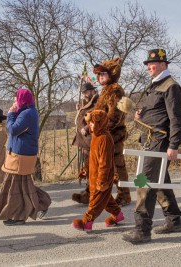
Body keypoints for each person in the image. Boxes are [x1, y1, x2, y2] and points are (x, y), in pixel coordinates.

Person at [122, 48, 181, 244]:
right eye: (148, 65)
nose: (149, 67)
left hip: (160, 142)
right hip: (150, 141)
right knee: (160, 182)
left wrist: (174, 144)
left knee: (144, 182)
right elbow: (157, 112)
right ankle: (173, 220)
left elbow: (176, 119)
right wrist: (141, 113)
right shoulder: (154, 85)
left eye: (153, 64)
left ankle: (142, 230)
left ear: (163, 65)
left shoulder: (171, 86)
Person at [0, 88, 51, 226]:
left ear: (22, 100)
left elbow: (13, 130)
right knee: (24, 185)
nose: (14, 102)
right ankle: (43, 202)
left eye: (16, 100)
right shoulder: (27, 112)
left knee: (16, 187)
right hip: (19, 153)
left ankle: (19, 216)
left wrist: (10, 115)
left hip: (21, 154)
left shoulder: (27, 114)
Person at [72, 110, 124, 231]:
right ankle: (118, 215)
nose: (90, 125)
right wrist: (86, 169)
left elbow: (105, 162)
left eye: (93, 123)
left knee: (95, 201)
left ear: (101, 123)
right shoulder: (96, 137)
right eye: (89, 123)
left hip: (102, 178)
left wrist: (102, 180)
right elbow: (92, 158)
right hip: (94, 177)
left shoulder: (105, 138)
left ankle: (86, 222)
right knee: (106, 200)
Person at [92, 57, 131, 206]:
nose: (100, 77)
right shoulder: (105, 90)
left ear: (111, 75)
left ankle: (124, 195)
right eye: (99, 75)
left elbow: (114, 115)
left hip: (113, 135)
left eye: (104, 74)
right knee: (105, 166)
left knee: (117, 166)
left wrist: (102, 128)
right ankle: (96, 195)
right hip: (104, 134)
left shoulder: (114, 89)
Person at [71, 82, 99, 204]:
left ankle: (94, 195)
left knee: (94, 170)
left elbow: (98, 117)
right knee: (89, 169)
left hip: (92, 140)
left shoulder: (97, 103)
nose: (84, 95)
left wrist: (87, 128)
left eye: (86, 92)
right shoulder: (87, 103)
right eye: (83, 93)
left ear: (93, 91)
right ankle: (90, 193)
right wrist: (79, 110)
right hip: (85, 142)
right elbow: (82, 117)